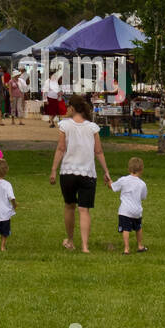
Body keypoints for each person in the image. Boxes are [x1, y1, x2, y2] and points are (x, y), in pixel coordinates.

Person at [50, 93, 113, 253]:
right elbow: (98, 152)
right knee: (84, 210)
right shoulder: (92, 128)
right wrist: (106, 171)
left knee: (69, 206)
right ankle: (85, 246)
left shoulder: (65, 125)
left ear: (71, 108)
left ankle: (70, 241)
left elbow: (61, 149)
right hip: (88, 173)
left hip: (68, 172)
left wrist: (53, 170)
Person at [111, 156, 148, 253]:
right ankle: (140, 246)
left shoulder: (123, 180)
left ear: (129, 169)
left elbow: (114, 187)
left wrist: (109, 182)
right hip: (137, 211)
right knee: (138, 228)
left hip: (125, 211)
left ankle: (126, 248)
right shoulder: (142, 184)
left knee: (126, 229)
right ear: (141, 170)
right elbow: (143, 197)